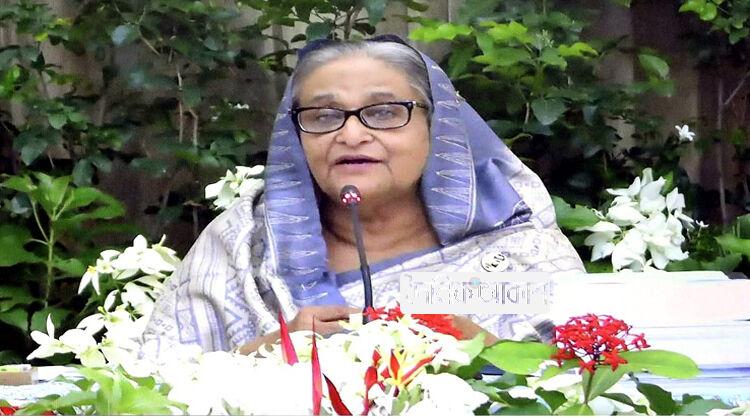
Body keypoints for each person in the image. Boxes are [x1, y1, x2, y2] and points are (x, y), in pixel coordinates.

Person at [141, 35, 584, 357]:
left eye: (385, 112)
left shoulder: (512, 249)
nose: (351, 135)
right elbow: (152, 383)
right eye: (323, 115)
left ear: (437, 126)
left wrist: (481, 353)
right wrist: (273, 349)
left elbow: (594, 382)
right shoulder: (246, 242)